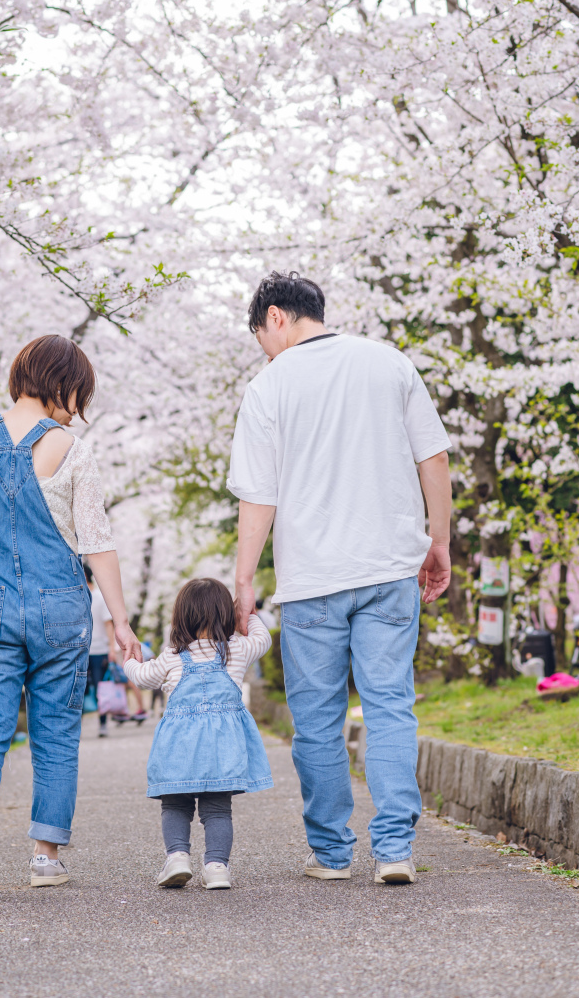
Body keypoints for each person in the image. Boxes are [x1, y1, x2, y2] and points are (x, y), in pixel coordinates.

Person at [229, 272, 452, 886]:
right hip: (388, 570)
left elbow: (258, 495)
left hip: (310, 580)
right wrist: (439, 542)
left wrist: (245, 580)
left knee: (319, 721)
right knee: (389, 707)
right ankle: (395, 849)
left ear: (275, 317)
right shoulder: (390, 364)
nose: (264, 351)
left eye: (260, 337)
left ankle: (331, 854)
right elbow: (433, 456)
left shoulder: (268, 387)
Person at [0, 334, 142, 895]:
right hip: (59, 609)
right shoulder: (70, 449)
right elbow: (97, 541)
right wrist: (119, 621)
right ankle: (45, 856)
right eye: (78, 396)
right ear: (62, 383)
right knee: (55, 733)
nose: (78, 411)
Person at [124, 578, 273, 890]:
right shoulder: (237, 649)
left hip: (179, 747)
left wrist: (129, 660)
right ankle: (217, 867)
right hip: (223, 748)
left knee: (175, 804)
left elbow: (142, 677)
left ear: (182, 617)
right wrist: (250, 614)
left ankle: (177, 857)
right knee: (217, 810)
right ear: (227, 617)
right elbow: (263, 640)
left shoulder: (171, 656)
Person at [84, 563, 114, 738]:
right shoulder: (78, 596)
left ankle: (103, 724)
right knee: (79, 690)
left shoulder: (99, 597)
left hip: (98, 651)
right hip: (82, 651)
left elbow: (108, 624)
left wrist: (111, 648)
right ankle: (78, 727)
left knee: (100, 690)